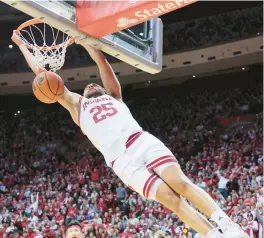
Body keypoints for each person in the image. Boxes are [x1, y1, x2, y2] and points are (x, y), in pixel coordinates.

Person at [12, 30, 249, 238]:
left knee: (181, 183)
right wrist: (22, 45)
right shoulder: (77, 106)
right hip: (121, 162)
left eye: (96, 85)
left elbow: (101, 61)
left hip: (141, 142)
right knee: (172, 200)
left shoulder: (113, 95)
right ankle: (212, 234)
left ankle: (227, 225)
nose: (91, 85)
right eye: (88, 86)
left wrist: (84, 41)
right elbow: (43, 77)